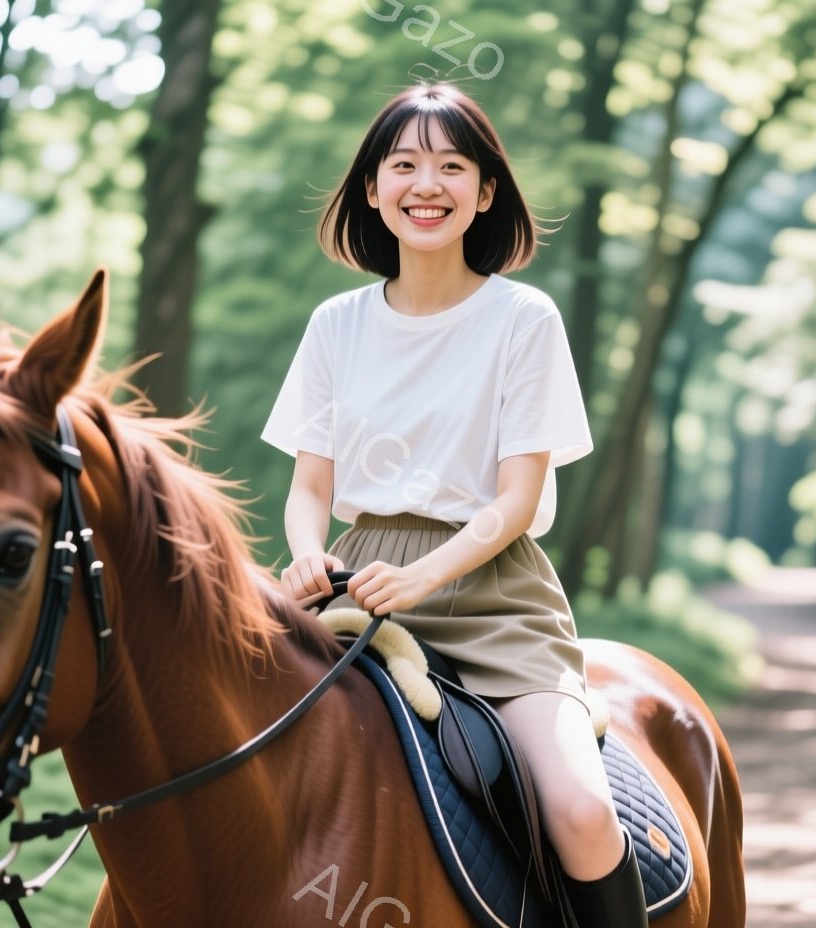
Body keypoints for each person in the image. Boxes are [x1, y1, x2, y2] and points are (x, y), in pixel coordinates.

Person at [261, 80, 647, 926]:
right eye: (403, 165)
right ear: (373, 188)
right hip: (354, 590)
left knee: (581, 815)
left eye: (451, 165)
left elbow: (516, 502)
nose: (425, 184)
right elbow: (310, 488)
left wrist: (423, 576)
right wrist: (303, 552)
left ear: (485, 192)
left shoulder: (524, 319)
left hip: (493, 597)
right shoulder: (336, 323)